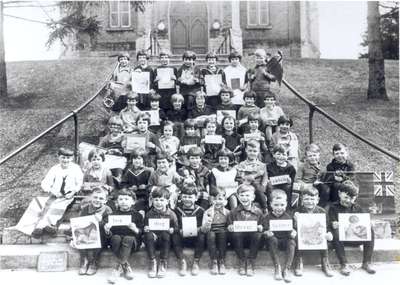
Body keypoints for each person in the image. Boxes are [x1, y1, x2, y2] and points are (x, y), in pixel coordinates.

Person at [31, 147, 83, 237]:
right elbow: (45, 183)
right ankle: (40, 227)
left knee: (59, 206)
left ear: (72, 158)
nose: (65, 160)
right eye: (63, 157)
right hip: (56, 194)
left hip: (69, 195)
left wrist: (73, 192)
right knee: (47, 205)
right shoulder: (55, 169)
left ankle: (51, 226)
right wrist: (53, 191)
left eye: (68, 158)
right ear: (59, 157)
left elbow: (79, 184)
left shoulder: (76, 169)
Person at [328, 181, 376, 276]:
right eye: (346, 197)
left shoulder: (358, 208)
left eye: (352, 198)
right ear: (339, 194)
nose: (349, 200)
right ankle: (344, 264)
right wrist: (333, 224)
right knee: (336, 231)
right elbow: (329, 223)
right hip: (340, 240)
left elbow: (363, 224)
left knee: (370, 231)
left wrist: (369, 224)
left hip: (355, 238)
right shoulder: (333, 207)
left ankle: (366, 262)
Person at [292, 186, 334, 277]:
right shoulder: (297, 211)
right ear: (302, 200)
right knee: (297, 236)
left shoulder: (322, 211)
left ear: (317, 200)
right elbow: (293, 228)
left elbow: (327, 226)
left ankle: (325, 261)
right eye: (306, 199)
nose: (309, 201)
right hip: (304, 235)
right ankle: (299, 261)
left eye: (312, 199)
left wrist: (329, 233)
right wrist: (295, 221)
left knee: (324, 236)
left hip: (317, 235)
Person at [105, 189, 144, 283]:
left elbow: (142, 233)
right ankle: (125, 266)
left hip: (132, 243)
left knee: (128, 238)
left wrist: (135, 229)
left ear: (133, 201)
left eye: (126, 199)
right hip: (116, 243)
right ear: (116, 202)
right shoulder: (112, 215)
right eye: (121, 199)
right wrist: (107, 230)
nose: (123, 202)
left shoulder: (137, 215)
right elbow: (109, 236)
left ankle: (117, 269)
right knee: (116, 237)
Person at [227, 184, 263, 276]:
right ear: (238, 197)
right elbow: (229, 225)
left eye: (247, 195)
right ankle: (242, 260)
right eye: (241, 195)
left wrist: (260, 227)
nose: (244, 198)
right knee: (235, 234)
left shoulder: (258, 212)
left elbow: (263, 225)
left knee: (258, 234)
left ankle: (251, 261)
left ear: (253, 197)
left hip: (253, 241)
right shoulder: (233, 212)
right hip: (239, 241)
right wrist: (230, 227)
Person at [75, 187, 112, 276]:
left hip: (102, 236)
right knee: (81, 239)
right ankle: (84, 261)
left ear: (105, 200)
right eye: (95, 197)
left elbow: (108, 227)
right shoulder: (85, 209)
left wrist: (101, 222)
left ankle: (93, 262)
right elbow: (79, 224)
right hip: (88, 234)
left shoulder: (107, 210)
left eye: (101, 198)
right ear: (91, 198)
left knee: (99, 240)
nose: (97, 200)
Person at [144, 188, 179, 278]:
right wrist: (147, 229)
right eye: (156, 200)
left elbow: (177, 228)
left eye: (162, 200)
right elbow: (145, 226)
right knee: (148, 235)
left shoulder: (171, 214)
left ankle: (163, 261)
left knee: (166, 235)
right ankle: (152, 261)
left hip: (166, 241)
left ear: (167, 201)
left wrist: (173, 230)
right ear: (152, 201)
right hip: (153, 241)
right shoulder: (149, 214)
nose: (158, 202)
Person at [172, 183, 206, 276]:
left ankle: (196, 262)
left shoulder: (201, 211)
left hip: (195, 238)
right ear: (181, 197)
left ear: (196, 198)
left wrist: (197, 230)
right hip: (182, 237)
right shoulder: (176, 210)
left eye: (190, 197)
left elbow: (203, 226)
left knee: (202, 235)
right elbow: (174, 225)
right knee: (174, 236)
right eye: (185, 197)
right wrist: (179, 230)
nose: (187, 199)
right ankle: (182, 261)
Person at [262, 189, 296, 282]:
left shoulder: (289, 216)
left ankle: (287, 269)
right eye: (276, 205)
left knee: (292, 242)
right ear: (271, 204)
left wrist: (293, 232)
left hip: (285, 240)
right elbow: (264, 231)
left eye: (282, 205)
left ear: (286, 204)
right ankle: (277, 267)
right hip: (273, 242)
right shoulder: (266, 217)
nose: (279, 208)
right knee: (272, 239)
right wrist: (266, 233)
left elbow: (293, 230)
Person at [201, 189, 230, 275]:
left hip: (223, 233)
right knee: (211, 235)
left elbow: (229, 226)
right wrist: (207, 223)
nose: (217, 202)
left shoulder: (228, 213)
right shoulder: (207, 212)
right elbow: (204, 229)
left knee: (223, 234)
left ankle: (221, 261)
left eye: (220, 199)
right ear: (211, 200)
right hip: (211, 231)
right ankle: (214, 261)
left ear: (225, 201)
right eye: (214, 199)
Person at [236, 140, 268, 213]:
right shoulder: (242, 164)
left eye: (254, 151)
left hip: (259, 187)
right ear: (246, 150)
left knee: (259, 189)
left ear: (258, 151)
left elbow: (265, 178)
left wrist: (263, 185)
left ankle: (265, 208)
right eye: (250, 151)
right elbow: (241, 177)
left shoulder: (262, 165)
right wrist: (255, 175)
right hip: (246, 185)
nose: (252, 153)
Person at [120, 148, 154, 213]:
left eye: (139, 159)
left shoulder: (149, 170)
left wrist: (146, 186)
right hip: (132, 194)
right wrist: (130, 187)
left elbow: (153, 184)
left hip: (144, 195)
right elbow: (123, 184)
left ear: (144, 160)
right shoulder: (129, 171)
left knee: (141, 205)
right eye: (135, 159)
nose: (137, 161)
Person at [266, 145, 296, 210]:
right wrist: (268, 181)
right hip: (273, 186)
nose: (281, 156)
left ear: (287, 156)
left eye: (284, 154)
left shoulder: (290, 168)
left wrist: (290, 181)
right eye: (278, 154)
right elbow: (267, 177)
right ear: (273, 155)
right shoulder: (269, 166)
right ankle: (271, 207)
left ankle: (287, 207)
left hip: (285, 186)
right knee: (269, 186)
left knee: (288, 186)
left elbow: (293, 180)